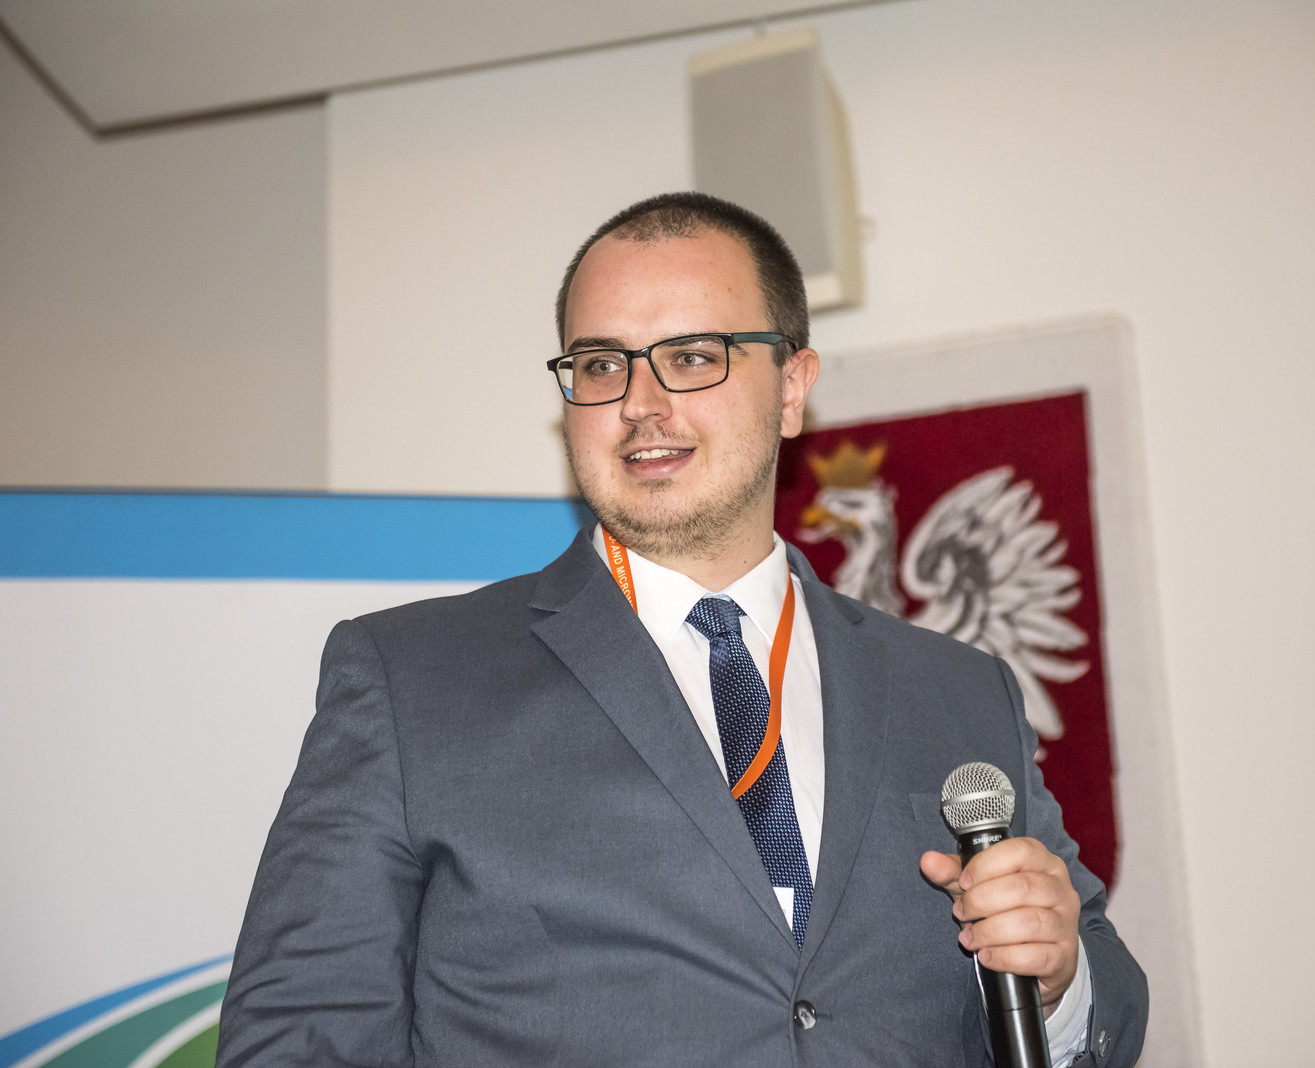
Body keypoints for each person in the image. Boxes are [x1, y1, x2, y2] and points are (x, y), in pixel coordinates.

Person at [216, 192, 1147, 1067]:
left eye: (694, 356)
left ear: (793, 386)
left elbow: (1110, 993)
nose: (639, 403)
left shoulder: (960, 690)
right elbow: (301, 1036)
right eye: (601, 364)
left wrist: (1059, 979)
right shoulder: (410, 678)